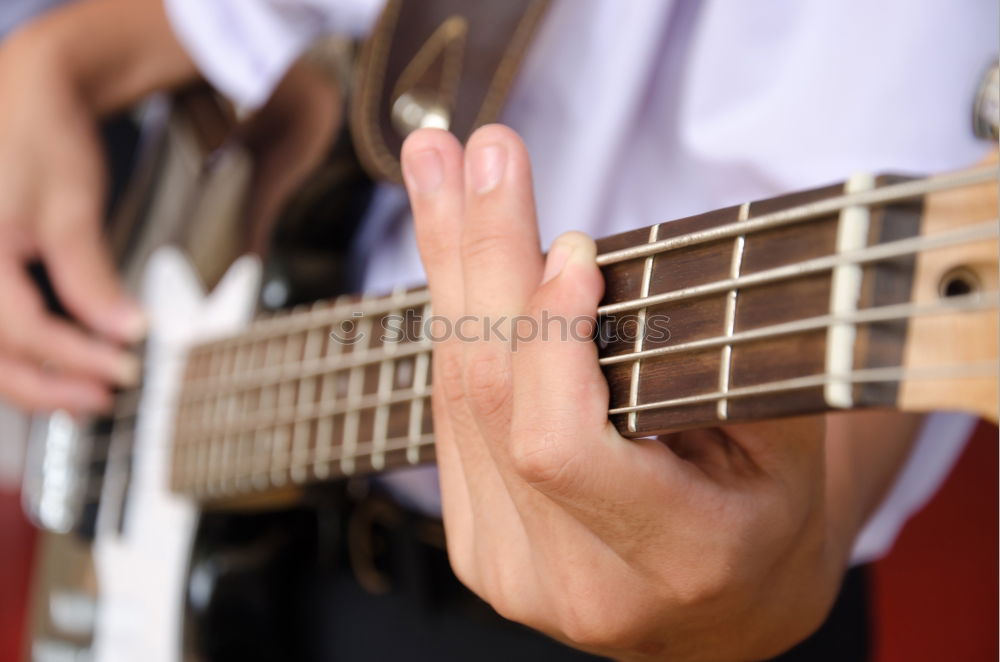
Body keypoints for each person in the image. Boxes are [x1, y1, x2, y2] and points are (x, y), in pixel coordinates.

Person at [0, 0, 994, 659]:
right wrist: (59, 59)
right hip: (276, 512)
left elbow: (884, 305)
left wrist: (788, 552)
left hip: (612, 599)